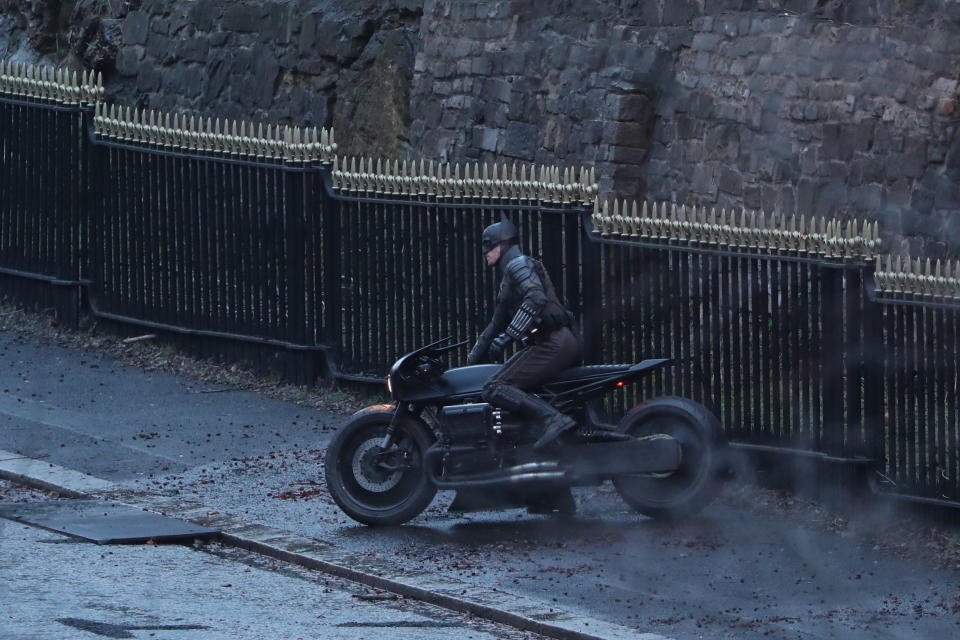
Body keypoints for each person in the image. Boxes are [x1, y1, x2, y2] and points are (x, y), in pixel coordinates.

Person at [465, 214, 582, 450]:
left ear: (503, 244)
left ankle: (553, 420)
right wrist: (470, 361)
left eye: (489, 245)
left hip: (551, 343)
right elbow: (493, 326)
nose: (485, 252)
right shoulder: (509, 278)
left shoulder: (518, 264)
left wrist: (509, 336)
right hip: (554, 342)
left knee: (494, 387)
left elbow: (536, 296)